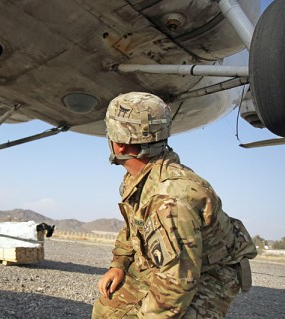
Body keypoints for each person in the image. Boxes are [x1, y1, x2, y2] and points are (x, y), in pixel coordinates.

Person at [91, 92, 257, 318]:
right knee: (107, 310)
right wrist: (119, 264)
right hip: (170, 265)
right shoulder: (139, 177)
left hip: (207, 275)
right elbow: (133, 227)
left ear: (119, 144)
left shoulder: (169, 201)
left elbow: (176, 285)